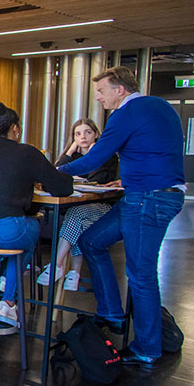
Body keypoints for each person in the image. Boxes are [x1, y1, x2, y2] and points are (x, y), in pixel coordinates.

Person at [58, 66, 186, 369]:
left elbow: (93, 159)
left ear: (120, 90)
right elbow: (154, 150)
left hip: (148, 198)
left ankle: (146, 348)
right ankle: (113, 313)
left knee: (141, 275)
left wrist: (52, 172)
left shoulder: (125, 114)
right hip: (147, 194)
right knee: (91, 241)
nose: (99, 98)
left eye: (102, 91)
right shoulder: (160, 106)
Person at [0, 102, 73, 322]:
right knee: (31, 229)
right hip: (9, 232)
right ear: (15, 128)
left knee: (15, 235)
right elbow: (62, 188)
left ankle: (2, 285)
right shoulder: (28, 153)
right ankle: (8, 299)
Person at [37, 118, 120, 290]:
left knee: (75, 215)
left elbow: (99, 180)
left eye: (88, 132)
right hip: (77, 208)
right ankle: (74, 273)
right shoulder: (72, 157)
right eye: (78, 134)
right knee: (76, 219)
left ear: (96, 134)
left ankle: (57, 264)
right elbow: (56, 174)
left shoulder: (106, 155)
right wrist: (70, 151)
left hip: (103, 207)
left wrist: (91, 155)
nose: (83, 137)